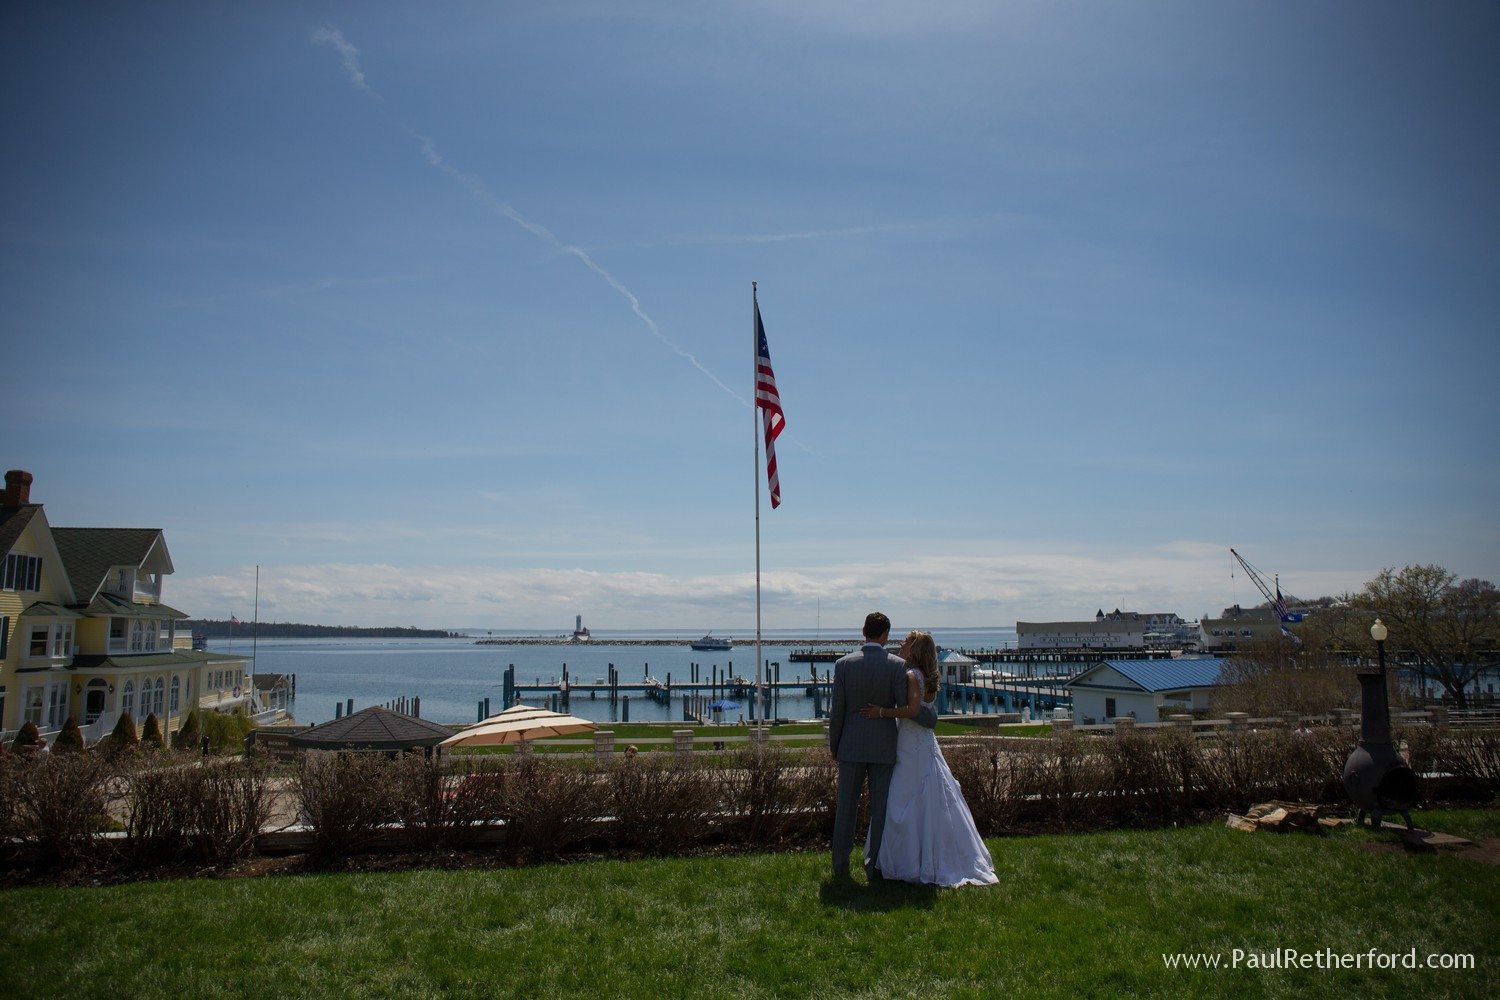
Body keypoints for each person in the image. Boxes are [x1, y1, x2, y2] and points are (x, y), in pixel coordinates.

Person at [859, 631, 997, 888]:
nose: (902, 643)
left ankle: (906, 860)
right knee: (926, 796)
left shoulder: (912, 676)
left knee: (902, 796)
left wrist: (881, 712)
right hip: (922, 743)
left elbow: (912, 710)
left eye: (907, 641)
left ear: (916, 648)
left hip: (911, 743)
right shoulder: (927, 678)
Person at [828, 612, 938, 883]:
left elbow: (837, 712)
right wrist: (930, 716)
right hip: (884, 748)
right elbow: (906, 708)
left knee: (846, 808)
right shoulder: (897, 666)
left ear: (863, 631)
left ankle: (840, 866)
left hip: (850, 747)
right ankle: (874, 864)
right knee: (880, 810)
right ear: (885, 635)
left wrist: (835, 745)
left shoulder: (843, 664)